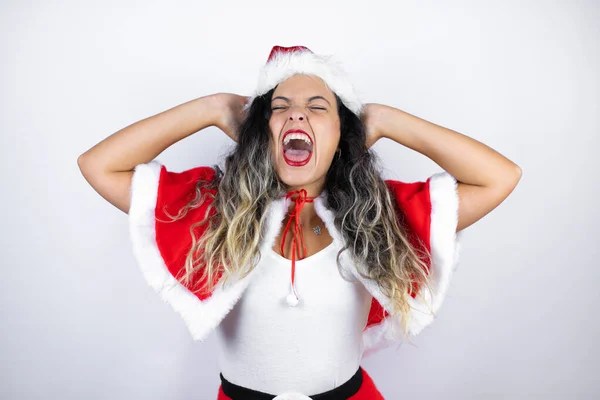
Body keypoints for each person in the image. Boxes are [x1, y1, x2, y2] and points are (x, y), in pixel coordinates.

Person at [78, 45, 522, 399]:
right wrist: (211, 108)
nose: (297, 115)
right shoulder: (214, 209)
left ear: (341, 137)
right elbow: (99, 165)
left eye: (317, 107)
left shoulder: (378, 216)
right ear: (261, 131)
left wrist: (385, 120)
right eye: (280, 106)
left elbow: (500, 177)